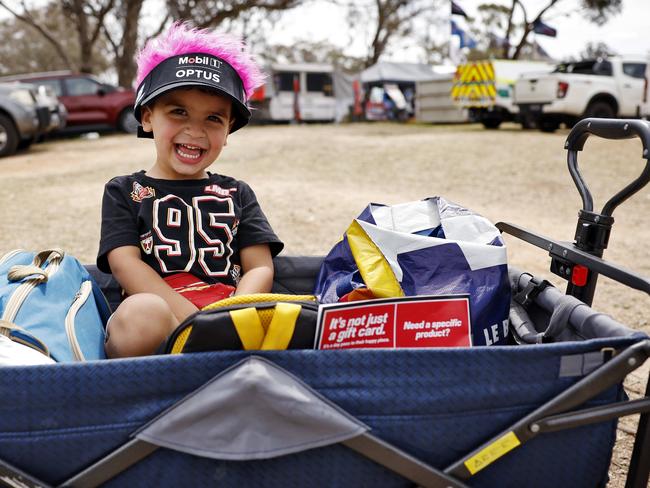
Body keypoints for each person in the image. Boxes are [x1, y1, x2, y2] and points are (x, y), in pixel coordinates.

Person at [97, 22, 283, 358]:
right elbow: (125, 264)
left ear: (228, 132)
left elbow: (259, 267)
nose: (194, 130)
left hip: (228, 318)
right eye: (178, 111)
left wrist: (231, 317)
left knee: (286, 315)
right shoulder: (124, 190)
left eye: (213, 118)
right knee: (143, 313)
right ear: (148, 117)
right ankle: (137, 396)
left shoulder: (237, 193)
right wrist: (192, 319)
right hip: (163, 323)